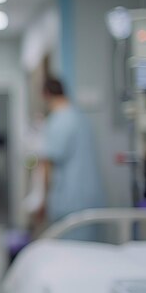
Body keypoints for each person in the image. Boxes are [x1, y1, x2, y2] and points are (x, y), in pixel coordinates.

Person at [39, 76, 106, 240]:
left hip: (69, 201)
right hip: (90, 197)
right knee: (88, 251)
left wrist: (43, 200)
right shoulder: (80, 117)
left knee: (71, 254)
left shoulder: (58, 121)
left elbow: (49, 163)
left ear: (46, 94)